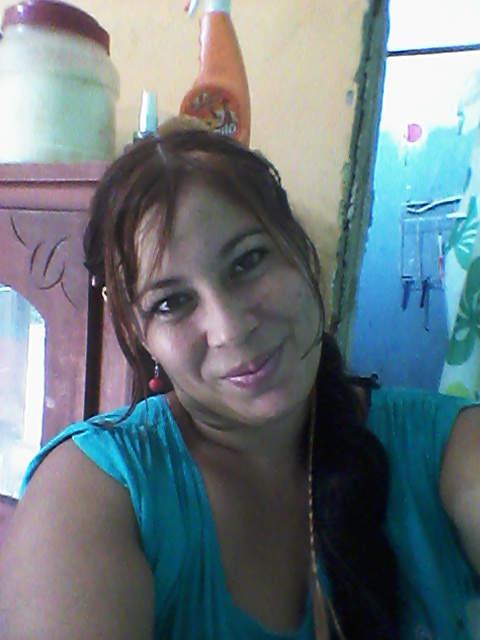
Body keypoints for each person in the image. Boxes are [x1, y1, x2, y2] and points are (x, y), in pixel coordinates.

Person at [0, 118, 479, 640]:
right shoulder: (92, 494)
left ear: (298, 248)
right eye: (171, 303)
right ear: (140, 336)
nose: (230, 328)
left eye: (248, 261)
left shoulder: (449, 450)